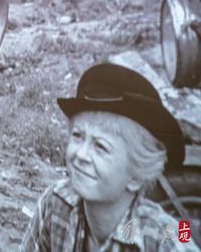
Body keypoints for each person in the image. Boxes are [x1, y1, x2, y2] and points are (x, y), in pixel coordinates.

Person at [21, 63, 199, 252]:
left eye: (101, 146)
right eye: (77, 136)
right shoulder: (55, 204)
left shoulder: (164, 242)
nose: (81, 154)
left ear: (136, 176)